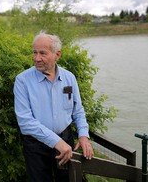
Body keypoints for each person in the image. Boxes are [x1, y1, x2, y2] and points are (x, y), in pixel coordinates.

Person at [14, 31, 94, 182]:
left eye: (43, 53)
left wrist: (83, 135)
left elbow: (78, 110)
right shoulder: (22, 80)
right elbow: (25, 122)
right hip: (36, 146)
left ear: (57, 55)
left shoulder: (69, 78)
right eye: (35, 52)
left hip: (66, 140)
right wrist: (57, 142)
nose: (37, 58)